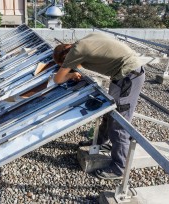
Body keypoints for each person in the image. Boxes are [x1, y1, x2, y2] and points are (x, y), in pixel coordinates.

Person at [53, 32, 145, 180]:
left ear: (66, 57)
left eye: (65, 64)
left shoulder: (76, 51)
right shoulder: (84, 39)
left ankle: (119, 168)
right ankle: (101, 141)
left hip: (128, 75)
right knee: (110, 112)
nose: (71, 67)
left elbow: (58, 79)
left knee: (119, 121)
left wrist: (69, 75)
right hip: (123, 73)